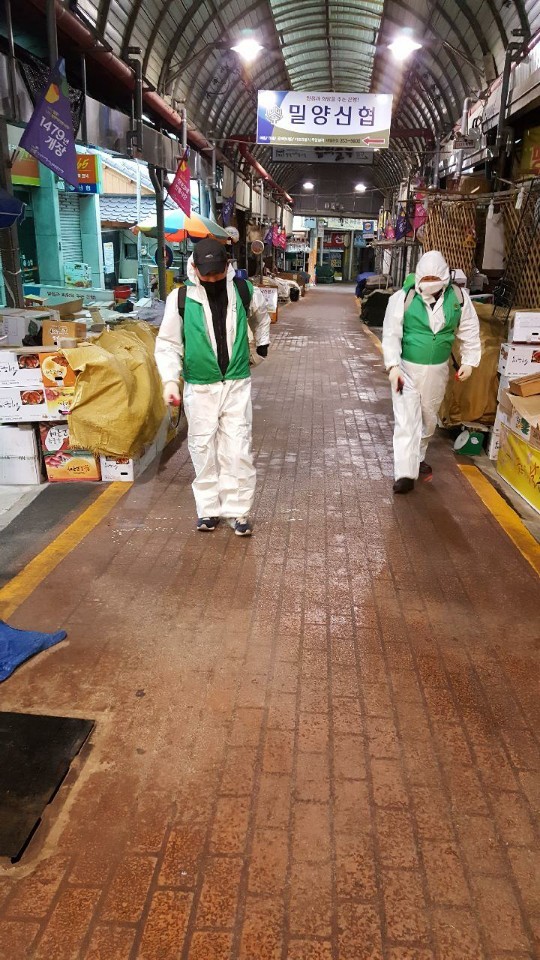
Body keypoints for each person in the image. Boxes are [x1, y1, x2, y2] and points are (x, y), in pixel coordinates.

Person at [155, 238, 271, 535]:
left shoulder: (244, 290)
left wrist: (262, 345)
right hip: (200, 386)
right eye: (206, 274)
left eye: (217, 273)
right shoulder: (180, 298)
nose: (212, 279)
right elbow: (168, 344)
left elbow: (261, 316)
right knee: (203, 448)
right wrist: (170, 380)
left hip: (236, 383)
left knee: (238, 448)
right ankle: (208, 510)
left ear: (226, 266)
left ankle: (238, 512)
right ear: (194, 267)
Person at [382, 250, 481, 495]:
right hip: (405, 371)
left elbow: (469, 329)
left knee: (428, 418)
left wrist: (470, 361)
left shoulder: (459, 298)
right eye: (425, 280)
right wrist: (392, 366)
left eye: (434, 280)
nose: (429, 285)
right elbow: (391, 334)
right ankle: (404, 474)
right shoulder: (402, 298)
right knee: (406, 420)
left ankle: (418, 458)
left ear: (445, 278)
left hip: (438, 371)